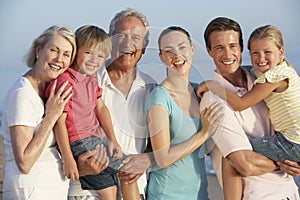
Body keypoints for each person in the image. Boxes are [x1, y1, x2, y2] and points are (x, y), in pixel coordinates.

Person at [198, 17, 300, 200]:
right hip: (261, 197)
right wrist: (283, 162)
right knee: (230, 159)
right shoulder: (214, 101)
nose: (228, 55)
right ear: (209, 51)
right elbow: (244, 164)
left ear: (241, 47)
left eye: (232, 46)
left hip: (291, 193)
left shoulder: (261, 79)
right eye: (219, 48)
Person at [68, 8, 157, 200]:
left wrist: (147, 160)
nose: (127, 43)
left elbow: (158, 143)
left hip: (134, 190)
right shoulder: (86, 82)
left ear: (145, 44)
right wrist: (77, 166)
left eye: (136, 37)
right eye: (121, 36)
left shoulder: (152, 88)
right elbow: (59, 130)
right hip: (86, 191)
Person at [46, 25, 139, 200]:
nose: (94, 60)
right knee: (120, 180)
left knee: (118, 183)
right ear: (76, 51)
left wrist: (112, 140)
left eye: (100, 56)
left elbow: (101, 108)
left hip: (94, 141)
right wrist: (68, 159)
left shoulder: (90, 79)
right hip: (77, 143)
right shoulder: (66, 81)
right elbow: (59, 122)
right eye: (88, 53)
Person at [146, 26, 224, 200]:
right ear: (161, 57)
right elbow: (163, 159)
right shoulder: (159, 98)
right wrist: (204, 133)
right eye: (169, 51)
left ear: (192, 49)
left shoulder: (200, 93)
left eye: (182, 48)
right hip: (166, 196)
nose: (177, 55)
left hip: (200, 195)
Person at [1, 25, 76, 199]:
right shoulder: (22, 94)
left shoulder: (51, 92)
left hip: (52, 189)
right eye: (53, 50)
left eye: (66, 54)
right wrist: (50, 117)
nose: (59, 59)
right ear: (38, 51)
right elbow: (25, 162)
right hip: (30, 190)